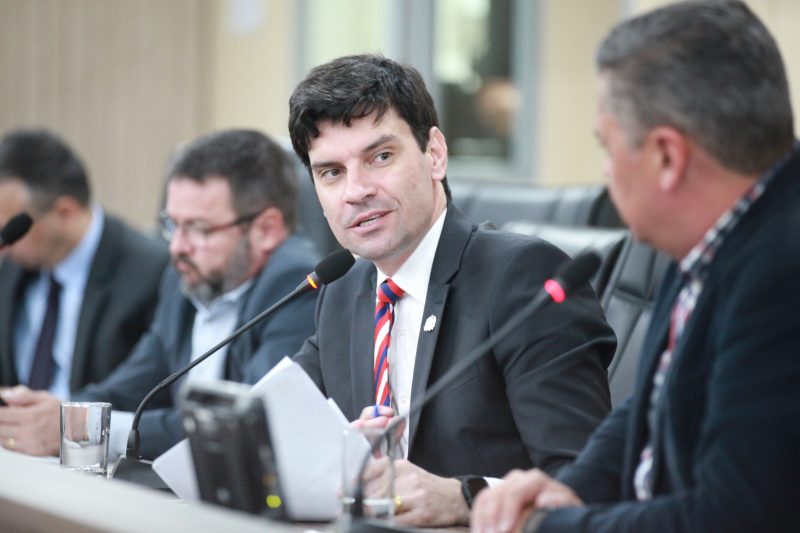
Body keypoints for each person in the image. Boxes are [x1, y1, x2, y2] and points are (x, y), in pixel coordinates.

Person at [471, 2, 800, 532]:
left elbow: (733, 516)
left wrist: (544, 529)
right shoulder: (711, 231)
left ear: (667, 157)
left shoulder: (782, 274)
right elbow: (653, 406)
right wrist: (569, 488)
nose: (605, 172)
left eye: (607, 148)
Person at [288, 54, 616, 527]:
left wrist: (468, 497)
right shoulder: (343, 291)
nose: (356, 190)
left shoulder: (521, 278)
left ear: (435, 154)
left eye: (380, 157)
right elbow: (278, 430)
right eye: (331, 172)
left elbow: (587, 481)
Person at [0, 129, 320, 459]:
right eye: (172, 224)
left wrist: (86, 429)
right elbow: (131, 387)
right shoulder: (186, 278)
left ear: (266, 229)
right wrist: (59, 414)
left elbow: (240, 425)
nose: (178, 247)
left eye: (198, 229)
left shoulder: (298, 287)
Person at [0, 129, 168, 447]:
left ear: (65, 213)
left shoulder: (152, 272)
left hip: (95, 461)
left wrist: (69, 423)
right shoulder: (13, 266)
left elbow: (147, 394)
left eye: (9, 229)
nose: (3, 245)